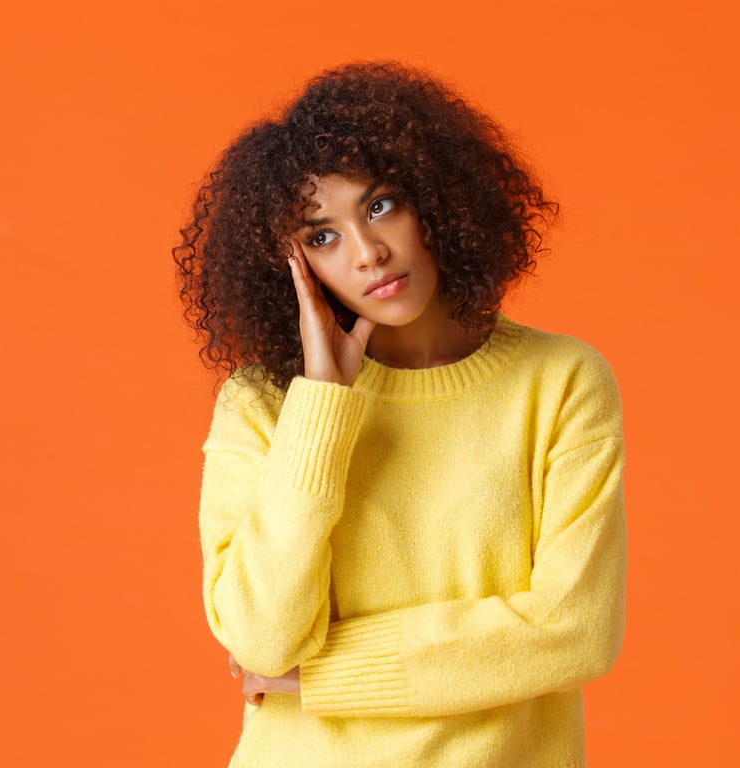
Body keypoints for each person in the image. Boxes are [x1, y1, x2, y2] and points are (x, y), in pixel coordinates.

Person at [174, 61, 626, 767]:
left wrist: (323, 677)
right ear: (290, 265)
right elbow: (261, 644)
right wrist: (322, 409)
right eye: (321, 236)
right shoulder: (263, 405)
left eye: (381, 205)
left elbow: (573, 629)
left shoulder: (560, 383)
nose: (368, 252)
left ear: (437, 197)